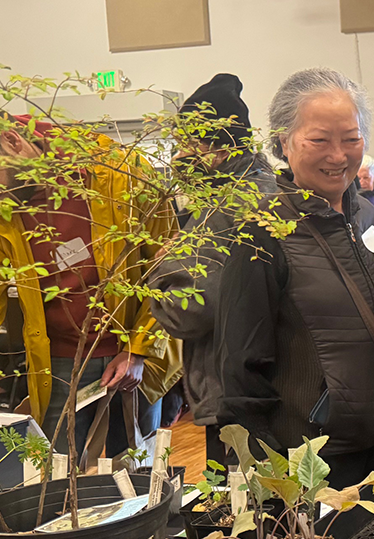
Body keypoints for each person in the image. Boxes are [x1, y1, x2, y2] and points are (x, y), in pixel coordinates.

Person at [216, 68, 374, 486]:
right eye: (320, 140)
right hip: (314, 458)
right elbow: (238, 365)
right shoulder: (263, 230)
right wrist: (265, 467)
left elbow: (372, 313)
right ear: (284, 142)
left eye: (351, 139)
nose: (338, 155)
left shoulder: (369, 214)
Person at [0, 102, 180, 461]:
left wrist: (139, 348)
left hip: (135, 357)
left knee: (135, 470)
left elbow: (169, 269)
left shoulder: (117, 170)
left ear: (11, 141)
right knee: (57, 474)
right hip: (57, 364)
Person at [150, 73, 277, 466]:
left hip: (229, 390)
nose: (177, 157)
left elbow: (191, 312)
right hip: (273, 381)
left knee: (234, 513)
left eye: (187, 144)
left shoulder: (220, 209)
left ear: (217, 149)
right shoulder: (271, 188)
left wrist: (159, 269)